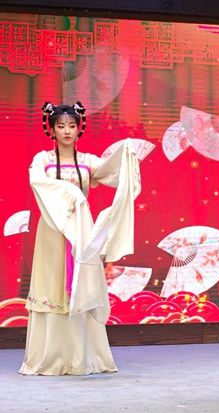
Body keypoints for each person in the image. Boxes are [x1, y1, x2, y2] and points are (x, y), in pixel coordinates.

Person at [19, 102, 141, 375]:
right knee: (52, 288)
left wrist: (126, 153)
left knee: (82, 282)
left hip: (82, 232)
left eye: (71, 126)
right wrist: (70, 192)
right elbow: (36, 181)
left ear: (79, 129)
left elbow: (113, 172)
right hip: (52, 232)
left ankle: (83, 357)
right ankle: (50, 358)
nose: (66, 131)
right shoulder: (43, 160)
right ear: (51, 129)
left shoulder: (87, 161)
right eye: (61, 126)